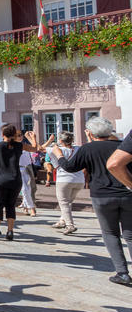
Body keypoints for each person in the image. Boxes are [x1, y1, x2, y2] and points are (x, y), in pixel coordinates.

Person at [55, 117, 132, 286]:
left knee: (110, 233)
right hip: (127, 193)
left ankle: (122, 273)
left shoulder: (88, 148)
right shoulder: (123, 145)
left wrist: (59, 155)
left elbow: (69, 167)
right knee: (130, 234)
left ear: (90, 133)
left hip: (102, 195)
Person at [43, 132, 83, 235]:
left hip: (64, 179)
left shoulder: (56, 149)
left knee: (64, 203)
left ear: (61, 141)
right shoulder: (78, 149)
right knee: (68, 202)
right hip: (79, 179)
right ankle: (62, 221)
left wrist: (49, 140)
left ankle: (70, 225)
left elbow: (39, 148)